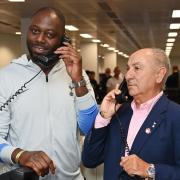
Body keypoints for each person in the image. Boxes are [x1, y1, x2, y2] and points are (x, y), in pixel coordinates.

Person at [0, 7, 99, 180]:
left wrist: (78, 81)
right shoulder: (6, 76)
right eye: (35, 31)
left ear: (63, 40)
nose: (39, 39)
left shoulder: (78, 75)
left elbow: (90, 128)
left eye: (50, 34)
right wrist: (20, 155)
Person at [82, 48, 180, 180]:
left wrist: (149, 170)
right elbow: (89, 160)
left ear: (159, 74)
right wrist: (104, 117)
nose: (128, 75)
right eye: (128, 68)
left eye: (137, 68)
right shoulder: (118, 112)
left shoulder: (175, 116)